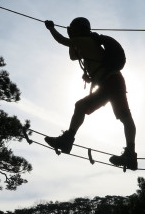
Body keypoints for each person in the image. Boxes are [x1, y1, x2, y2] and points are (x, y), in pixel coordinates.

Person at [43, 17, 138, 170]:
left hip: (112, 82)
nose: (70, 30)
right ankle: (68, 140)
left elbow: (62, 41)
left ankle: (130, 155)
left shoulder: (84, 40)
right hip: (109, 83)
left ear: (79, 29)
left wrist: (51, 29)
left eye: (72, 28)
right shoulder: (84, 42)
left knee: (124, 116)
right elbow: (74, 56)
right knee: (81, 106)